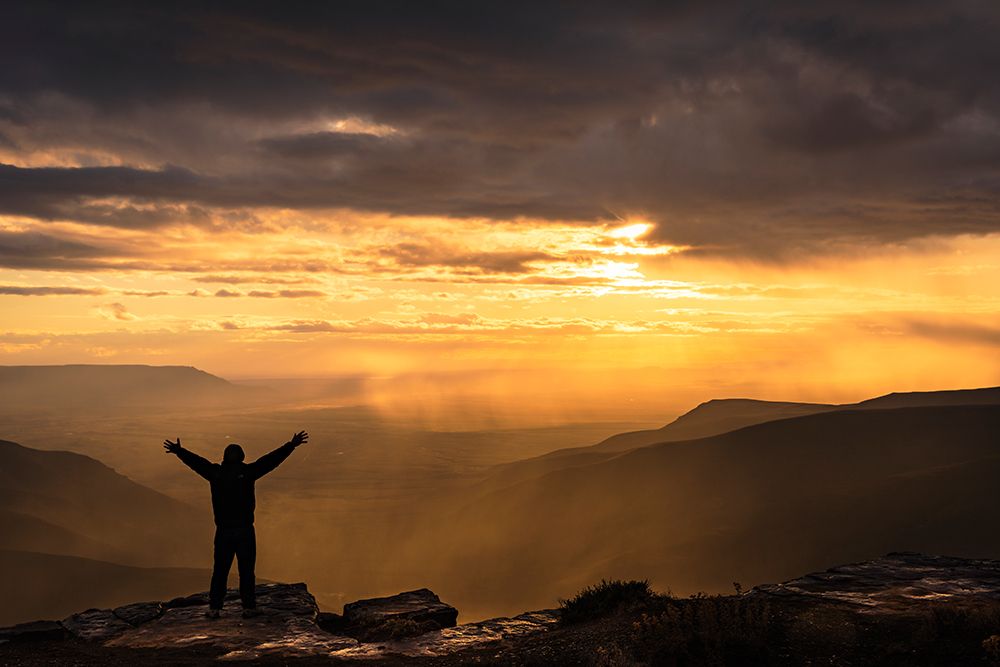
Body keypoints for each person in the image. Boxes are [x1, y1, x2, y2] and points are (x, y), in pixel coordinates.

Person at [163, 431, 308, 618]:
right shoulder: (247, 473)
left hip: (223, 531)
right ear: (242, 457)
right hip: (245, 530)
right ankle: (248, 608)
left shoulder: (215, 473)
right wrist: (291, 445)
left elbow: (197, 463)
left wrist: (180, 452)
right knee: (246, 571)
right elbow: (270, 461)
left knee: (220, 571)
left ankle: (215, 608)